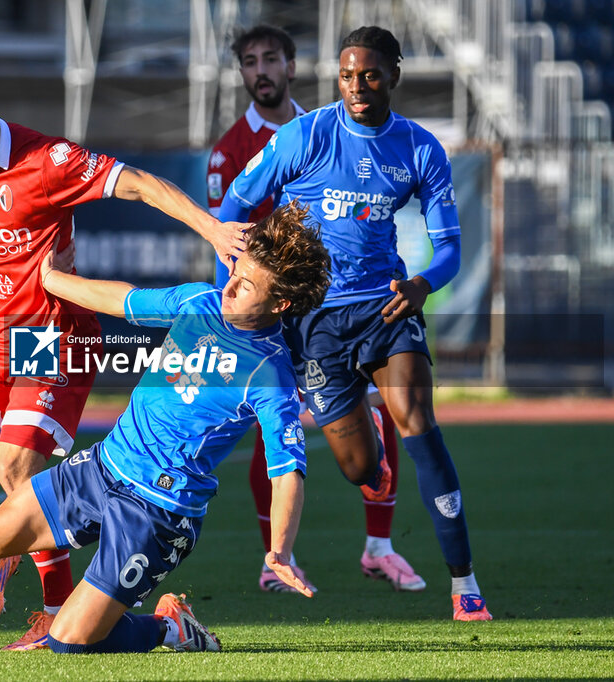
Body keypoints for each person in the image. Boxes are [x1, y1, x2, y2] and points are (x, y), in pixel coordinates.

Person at [0, 200, 330, 654]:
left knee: (70, 642)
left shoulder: (271, 375)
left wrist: (278, 551)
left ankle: (171, 629)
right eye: (235, 271)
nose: (231, 283)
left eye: (246, 284)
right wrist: (55, 279)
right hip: (102, 468)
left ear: (279, 302)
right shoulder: (200, 302)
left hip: (159, 516)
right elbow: (123, 300)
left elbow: (288, 471)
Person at [0, 70, 250, 650]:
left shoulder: (48, 160)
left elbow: (140, 184)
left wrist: (213, 230)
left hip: (50, 336)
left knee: (14, 470)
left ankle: (54, 608)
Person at [219, 26, 491, 621]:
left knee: (419, 424)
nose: (358, 86)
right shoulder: (306, 135)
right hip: (315, 323)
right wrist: (234, 288)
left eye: (369, 74)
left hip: (388, 308)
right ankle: (369, 444)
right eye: (347, 75)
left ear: (393, 74)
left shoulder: (421, 148)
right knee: (360, 469)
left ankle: (465, 585)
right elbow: (235, 208)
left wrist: (422, 283)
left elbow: (448, 247)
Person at [208, 25, 423, 595]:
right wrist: (231, 311)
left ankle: (380, 546)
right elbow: (225, 229)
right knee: (270, 424)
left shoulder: (332, 123)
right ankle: (274, 557)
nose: (262, 71)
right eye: (250, 61)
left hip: (350, 305)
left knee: (383, 410)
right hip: (278, 311)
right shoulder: (231, 151)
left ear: (292, 66)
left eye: (271, 59)